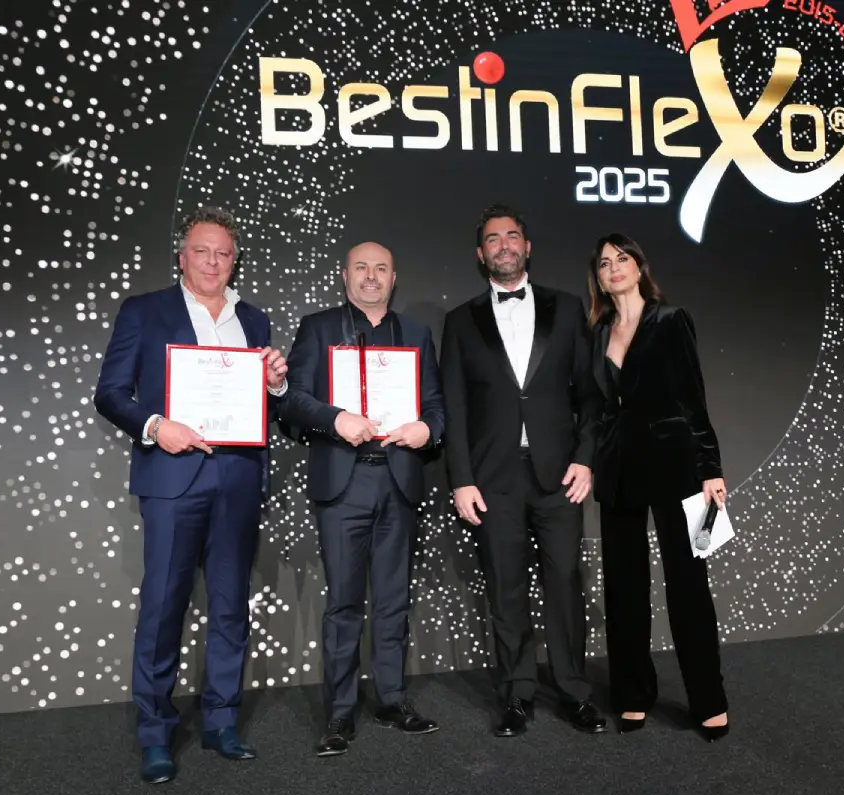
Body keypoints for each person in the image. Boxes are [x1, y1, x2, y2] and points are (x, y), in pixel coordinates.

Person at [93, 206, 290, 783]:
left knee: (230, 605)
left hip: (238, 477)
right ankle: (155, 733)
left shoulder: (253, 318)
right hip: (172, 476)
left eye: (223, 253)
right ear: (182, 257)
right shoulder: (144, 310)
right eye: (201, 251)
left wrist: (276, 382)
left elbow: (264, 400)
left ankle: (222, 721)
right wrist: (157, 426)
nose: (212, 262)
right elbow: (110, 394)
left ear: (235, 261)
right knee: (163, 606)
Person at [440, 204, 607, 737]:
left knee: (565, 585)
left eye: (512, 236)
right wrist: (461, 479)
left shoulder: (568, 308)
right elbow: (455, 407)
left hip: (560, 476)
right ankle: (516, 693)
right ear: (481, 253)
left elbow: (592, 395)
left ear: (527, 247)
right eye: (493, 239)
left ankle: (575, 691)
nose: (504, 245)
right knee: (505, 588)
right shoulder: (460, 321)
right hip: (493, 480)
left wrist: (585, 458)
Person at [277, 241, 445, 757]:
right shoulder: (318, 328)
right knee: (344, 603)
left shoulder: (416, 333)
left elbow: (437, 405)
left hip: (399, 479)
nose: (371, 276)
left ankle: (392, 699)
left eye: (381, 268)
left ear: (394, 278)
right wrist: (336, 419)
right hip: (343, 483)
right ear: (344, 275)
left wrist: (427, 428)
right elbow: (291, 399)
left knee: (394, 600)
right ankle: (340, 712)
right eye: (361, 267)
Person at [584, 232, 730, 740]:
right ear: (598, 278)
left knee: (688, 586)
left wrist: (711, 468)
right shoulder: (597, 332)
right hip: (618, 469)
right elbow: (598, 408)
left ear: (639, 267)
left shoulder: (670, 320)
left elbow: (694, 399)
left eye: (622, 258)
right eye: (604, 263)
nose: (614, 267)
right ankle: (632, 694)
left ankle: (708, 699)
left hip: (676, 466)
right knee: (624, 587)